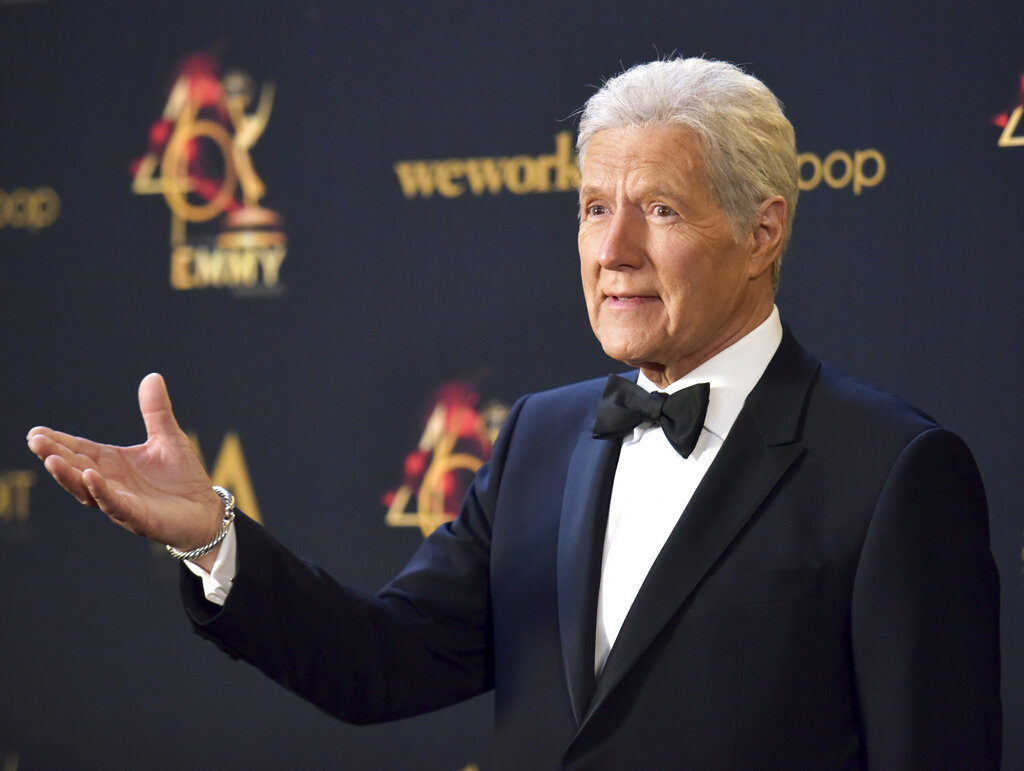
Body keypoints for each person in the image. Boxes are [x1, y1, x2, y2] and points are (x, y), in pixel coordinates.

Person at [27, 58, 1001, 769]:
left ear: (762, 231)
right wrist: (212, 537)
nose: (611, 250)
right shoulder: (541, 436)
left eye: (657, 210)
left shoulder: (889, 471)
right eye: (591, 208)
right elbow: (384, 666)